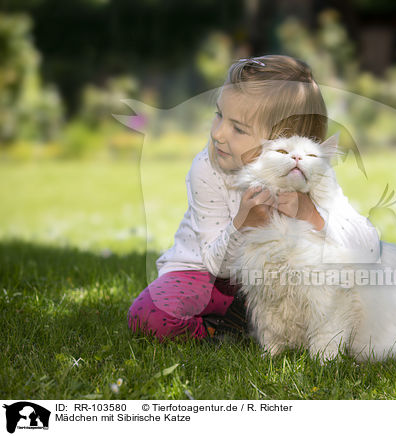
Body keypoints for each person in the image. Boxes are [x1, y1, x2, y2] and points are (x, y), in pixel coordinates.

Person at [127, 54, 380, 342]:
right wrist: (242, 224)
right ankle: (220, 330)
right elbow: (215, 264)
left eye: (238, 129)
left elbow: (369, 244)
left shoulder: (312, 178)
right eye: (219, 115)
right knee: (149, 316)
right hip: (202, 276)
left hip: (272, 284)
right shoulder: (208, 168)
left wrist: (312, 214)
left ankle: (253, 324)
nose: (218, 134)